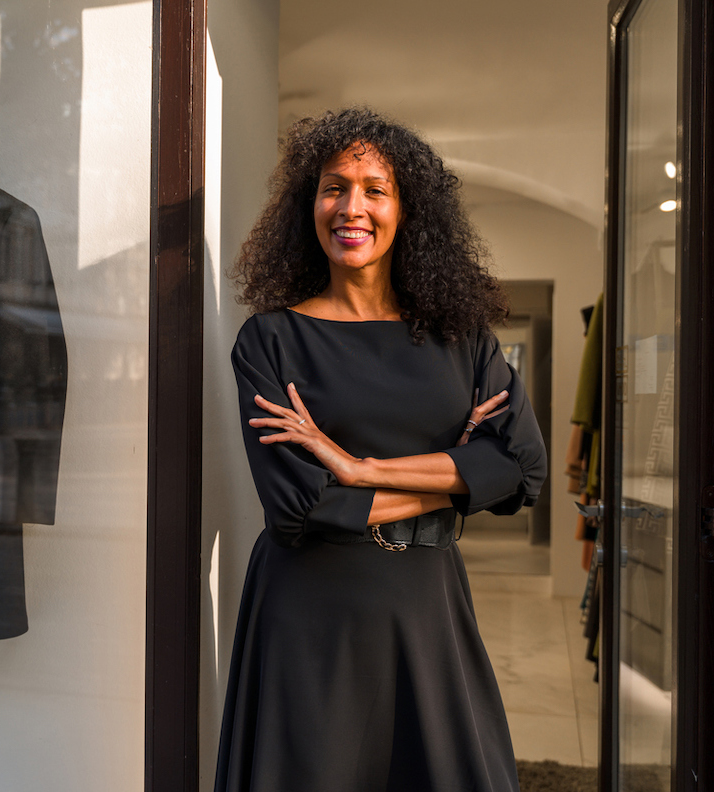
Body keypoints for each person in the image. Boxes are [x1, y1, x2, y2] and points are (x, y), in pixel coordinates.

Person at [214, 108, 547, 792]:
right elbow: (300, 509)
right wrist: (457, 477)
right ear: (310, 204)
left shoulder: (462, 340)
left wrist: (358, 469)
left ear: (406, 210)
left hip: (426, 605)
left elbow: (523, 468)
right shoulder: (269, 341)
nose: (351, 207)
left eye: (374, 188)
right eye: (334, 187)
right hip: (310, 612)